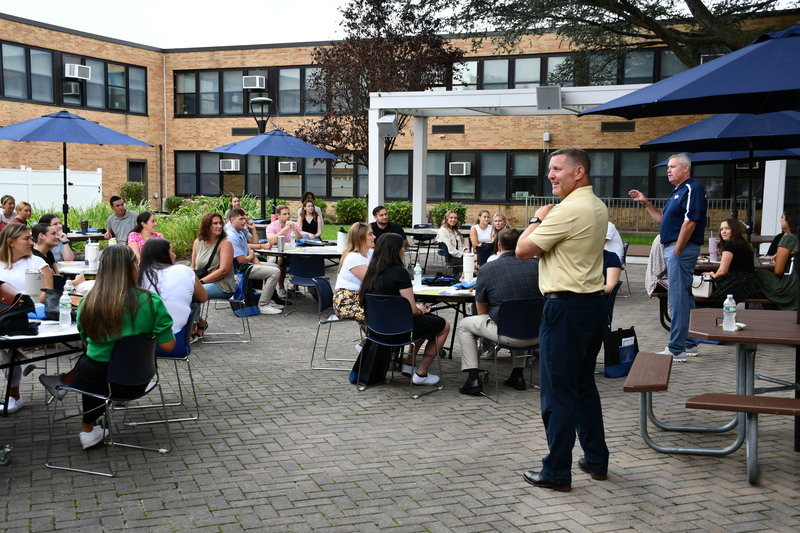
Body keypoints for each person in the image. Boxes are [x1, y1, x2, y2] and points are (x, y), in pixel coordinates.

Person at [516, 147, 609, 492]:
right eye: (550, 170)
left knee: (558, 393)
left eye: (556, 169)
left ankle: (556, 471)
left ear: (578, 172)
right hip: (592, 306)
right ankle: (596, 460)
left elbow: (523, 250)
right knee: (583, 386)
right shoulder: (597, 205)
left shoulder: (567, 210)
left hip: (565, 309)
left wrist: (538, 219)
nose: (550, 175)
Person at [38, 245, 175, 450]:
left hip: (97, 382)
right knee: (99, 368)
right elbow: (168, 345)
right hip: (138, 379)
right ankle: (91, 424)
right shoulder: (150, 300)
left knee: (90, 364)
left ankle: (88, 428)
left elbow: (86, 342)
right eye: (136, 264)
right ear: (131, 268)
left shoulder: (88, 302)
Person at [629, 153, 707, 362]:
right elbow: (663, 220)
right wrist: (645, 202)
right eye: (667, 168)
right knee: (685, 297)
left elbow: (691, 222)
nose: (668, 170)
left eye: (672, 166)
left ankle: (676, 349)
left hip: (680, 250)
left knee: (677, 300)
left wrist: (677, 249)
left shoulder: (692, 189)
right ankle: (689, 343)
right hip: (674, 248)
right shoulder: (677, 192)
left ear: (685, 169)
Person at [456, 228, 542, 396]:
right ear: (519, 244)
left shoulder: (488, 268)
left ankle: (473, 378)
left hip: (506, 334)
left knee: (464, 325)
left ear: (499, 245)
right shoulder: (537, 266)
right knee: (520, 317)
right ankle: (518, 376)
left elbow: (481, 310)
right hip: (536, 332)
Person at [360, 233, 450, 386]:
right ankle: (421, 373)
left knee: (426, 322)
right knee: (443, 326)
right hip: (399, 331)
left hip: (376, 330)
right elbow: (412, 310)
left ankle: (409, 365)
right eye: (402, 247)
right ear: (395, 250)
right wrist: (420, 309)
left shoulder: (371, 271)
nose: (404, 250)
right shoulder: (399, 272)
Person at [0, 223, 57, 413]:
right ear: (10, 242)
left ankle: (14, 394)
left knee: (5, 342)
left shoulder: (37, 263)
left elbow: (47, 293)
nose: (31, 243)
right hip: (6, 316)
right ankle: (21, 358)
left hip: (33, 314)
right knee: (5, 342)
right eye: (26, 239)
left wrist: (20, 304)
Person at [139, 238, 208, 342]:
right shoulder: (184, 270)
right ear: (164, 254)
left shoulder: (139, 274)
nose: (175, 255)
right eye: (172, 251)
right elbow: (203, 297)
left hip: (143, 342)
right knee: (194, 301)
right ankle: (194, 329)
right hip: (177, 340)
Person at [226, 207, 283, 314]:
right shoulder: (232, 235)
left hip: (247, 264)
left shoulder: (240, 231)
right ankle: (263, 305)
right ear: (232, 220)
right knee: (275, 272)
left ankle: (268, 298)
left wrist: (253, 228)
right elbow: (241, 260)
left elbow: (254, 244)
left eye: (245, 218)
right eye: (241, 219)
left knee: (275, 267)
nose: (244, 221)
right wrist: (252, 256)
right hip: (240, 270)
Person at [704, 218, 758, 302]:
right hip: (750, 285)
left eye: (727, 228)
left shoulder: (730, 244)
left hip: (736, 284)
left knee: (704, 294)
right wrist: (714, 274)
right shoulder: (743, 243)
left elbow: (723, 271)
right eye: (721, 229)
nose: (723, 232)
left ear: (734, 229)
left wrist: (712, 276)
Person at [333, 222, 375, 326]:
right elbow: (372, 281)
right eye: (370, 234)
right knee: (377, 318)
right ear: (360, 238)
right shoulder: (353, 257)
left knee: (383, 316)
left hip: (362, 300)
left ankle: (372, 342)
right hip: (346, 302)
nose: (374, 236)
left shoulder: (371, 253)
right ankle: (372, 342)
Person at [755, 207, 798, 310]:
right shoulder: (796, 237)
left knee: (757, 273)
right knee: (761, 291)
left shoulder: (788, 239)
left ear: (789, 220)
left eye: (782, 217)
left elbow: (778, 271)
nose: (780, 220)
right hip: (796, 284)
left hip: (788, 286)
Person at [191, 212, 237, 301]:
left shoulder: (225, 243)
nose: (219, 226)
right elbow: (193, 267)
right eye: (215, 223)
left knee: (193, 294)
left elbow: (223, 271)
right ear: (207, 226)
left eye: (220, 223)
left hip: (222, 285)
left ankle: (193, 315)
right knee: (182, 291)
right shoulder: (197, 242)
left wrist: (200, 283)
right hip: (202, 281)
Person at [266, 205, 303, 297]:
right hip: (276, 252)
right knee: (280, 260)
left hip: (292, 251)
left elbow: (300, 239)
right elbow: (272, 241)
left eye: (288, 214)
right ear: (278, 215)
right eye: (284, 214)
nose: (287, 216)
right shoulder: (272, 226)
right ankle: (281, 288)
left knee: (299, 259)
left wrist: (294, 228)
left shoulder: (294, 224)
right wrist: (285, 229)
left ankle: (295, 287)